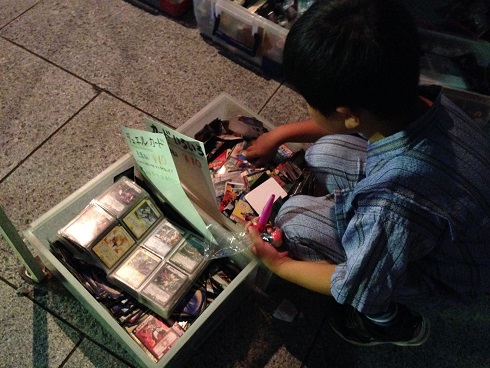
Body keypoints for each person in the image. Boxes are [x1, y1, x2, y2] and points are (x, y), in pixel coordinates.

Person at [244, 0, 490, 347]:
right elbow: (350, 128)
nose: (308, 108)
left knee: (294, 220)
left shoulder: (394, 203)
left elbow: (356, 283)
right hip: (454, 219)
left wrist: (279, 266)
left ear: (348, 113)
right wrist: (281, 134)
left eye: (309, 101)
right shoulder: (416, 98)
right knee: (323, 152)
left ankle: (389, 324)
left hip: (452, 275)